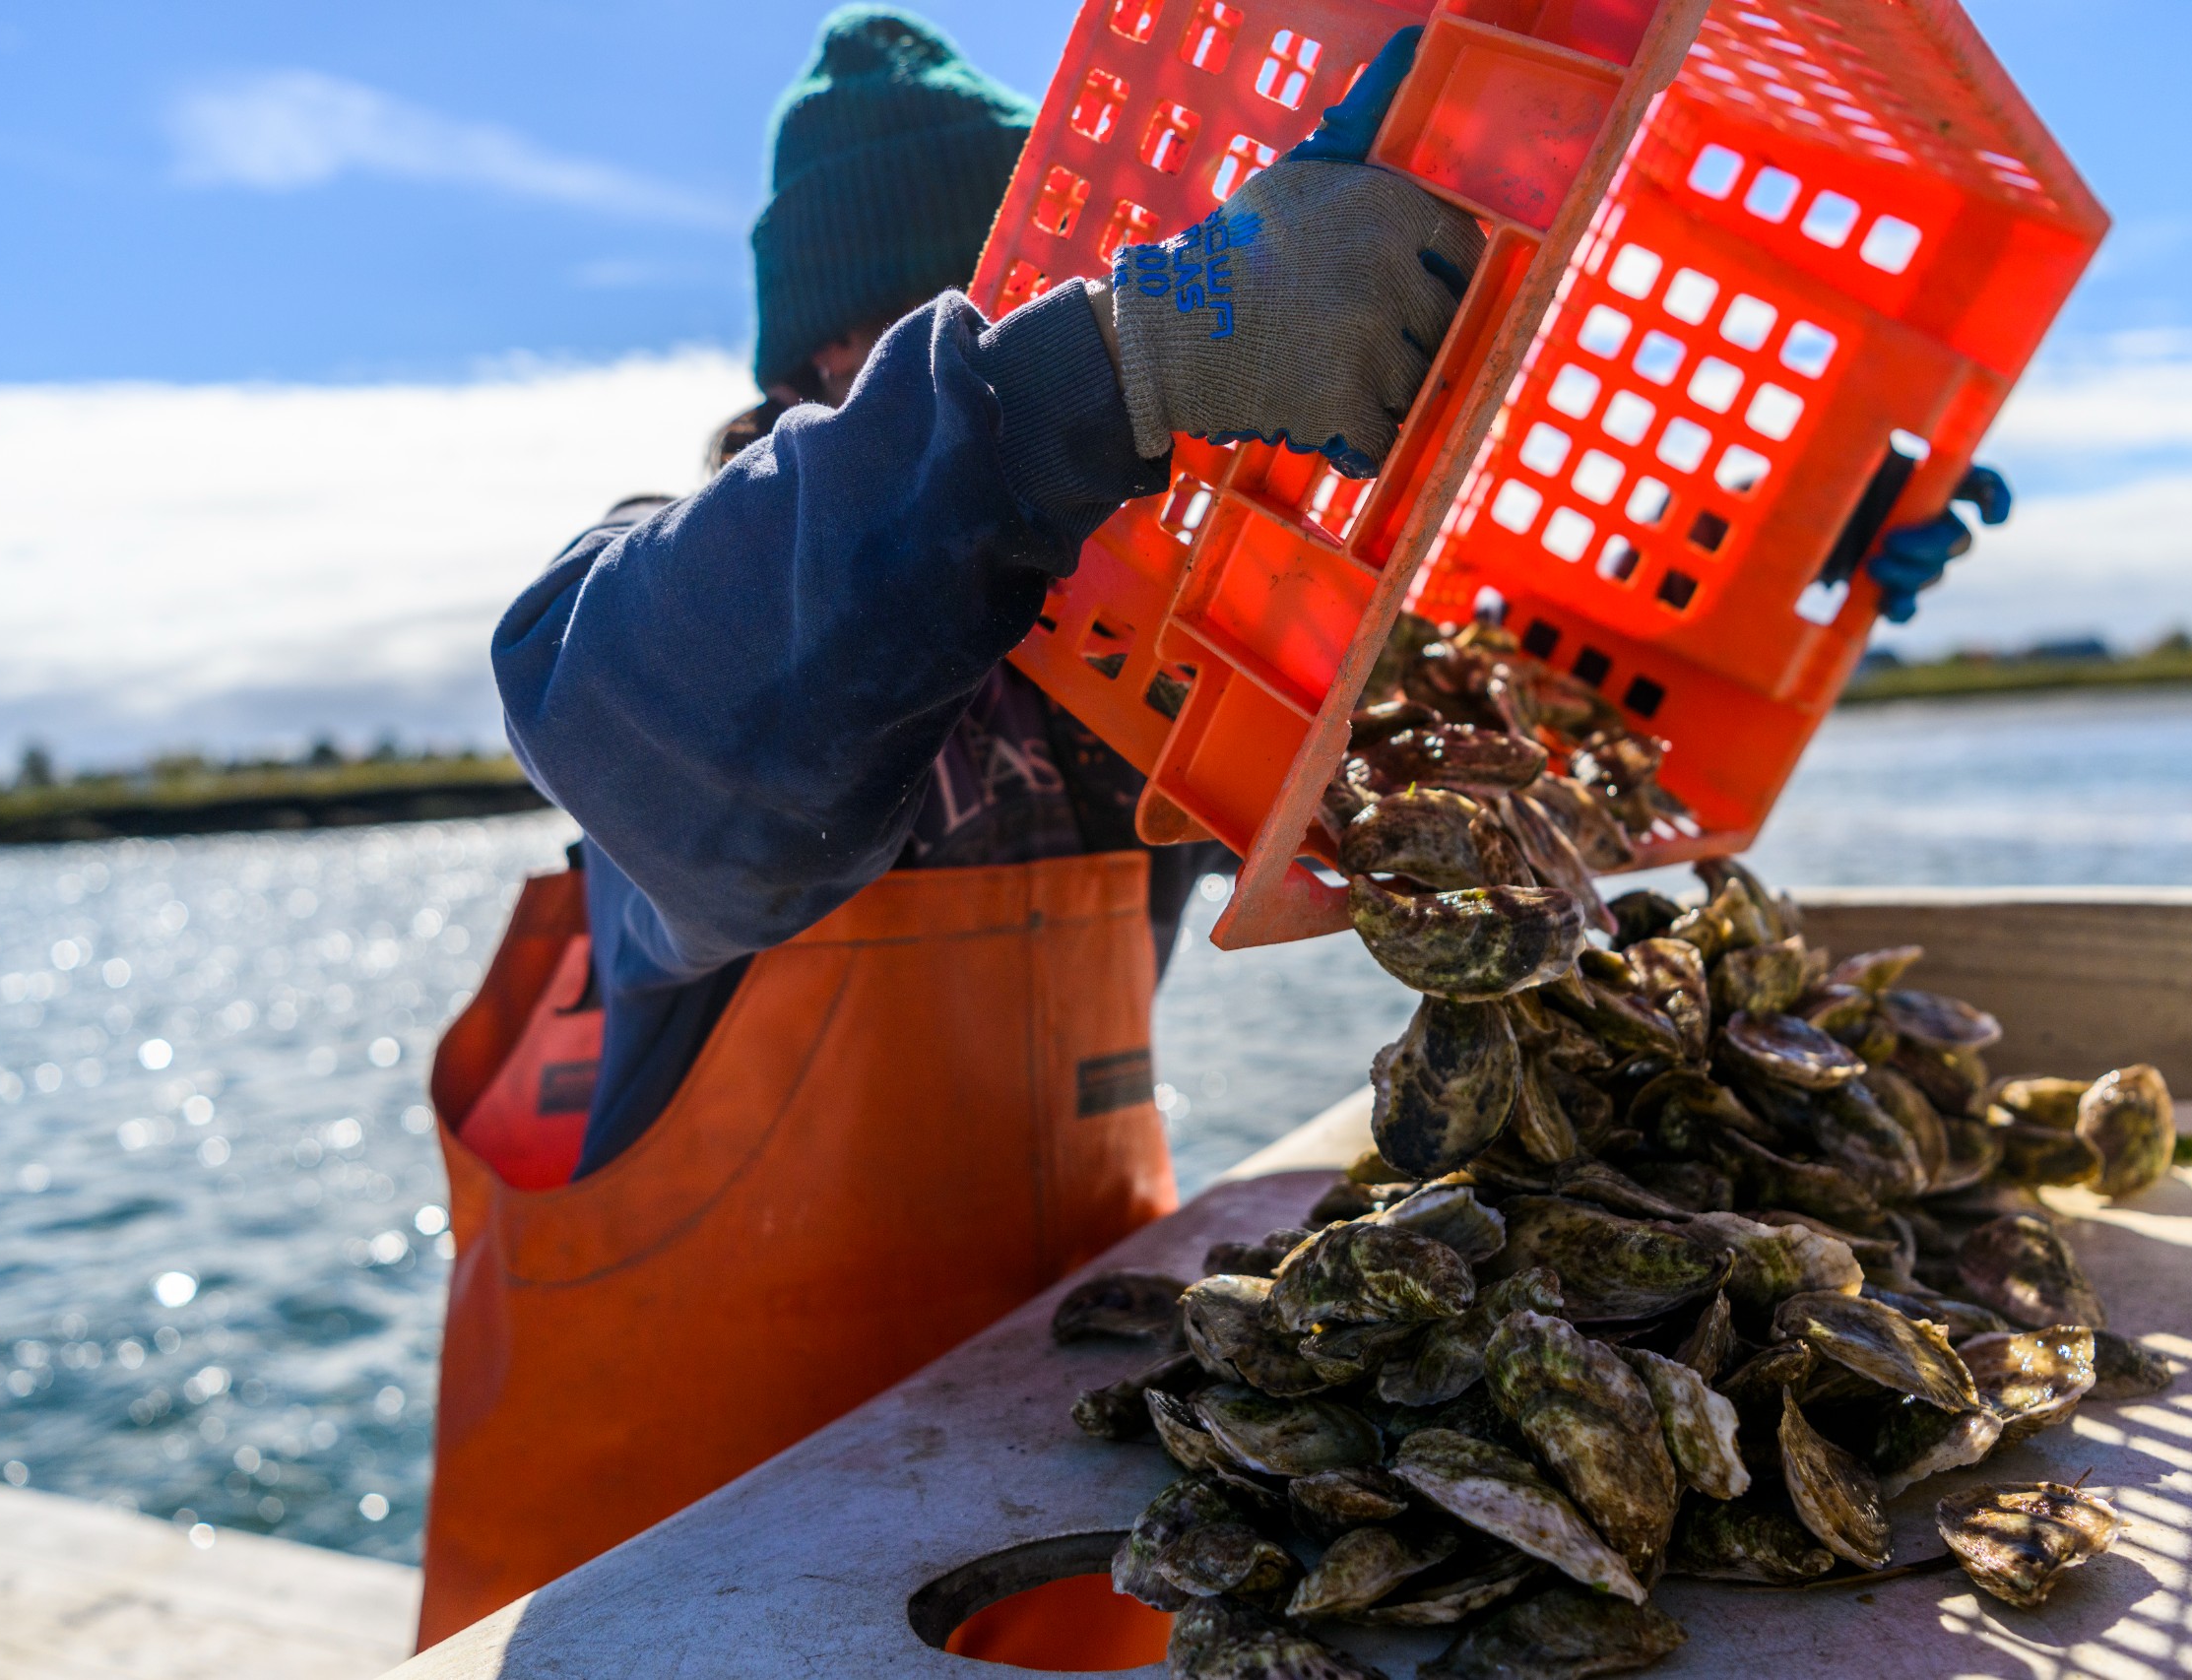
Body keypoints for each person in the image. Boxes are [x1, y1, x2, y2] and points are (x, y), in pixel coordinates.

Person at [412, 5, 2004, 1647]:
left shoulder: (1145, 627)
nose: (1012, 334)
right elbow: (624, 703)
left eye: (1051, 287)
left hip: (1038, 1486)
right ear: (831, 368)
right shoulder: (702, 603)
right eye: (962, 320)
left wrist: (1767, 535)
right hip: (678, 1576)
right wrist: (1119, 360)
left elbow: (1495, 723)